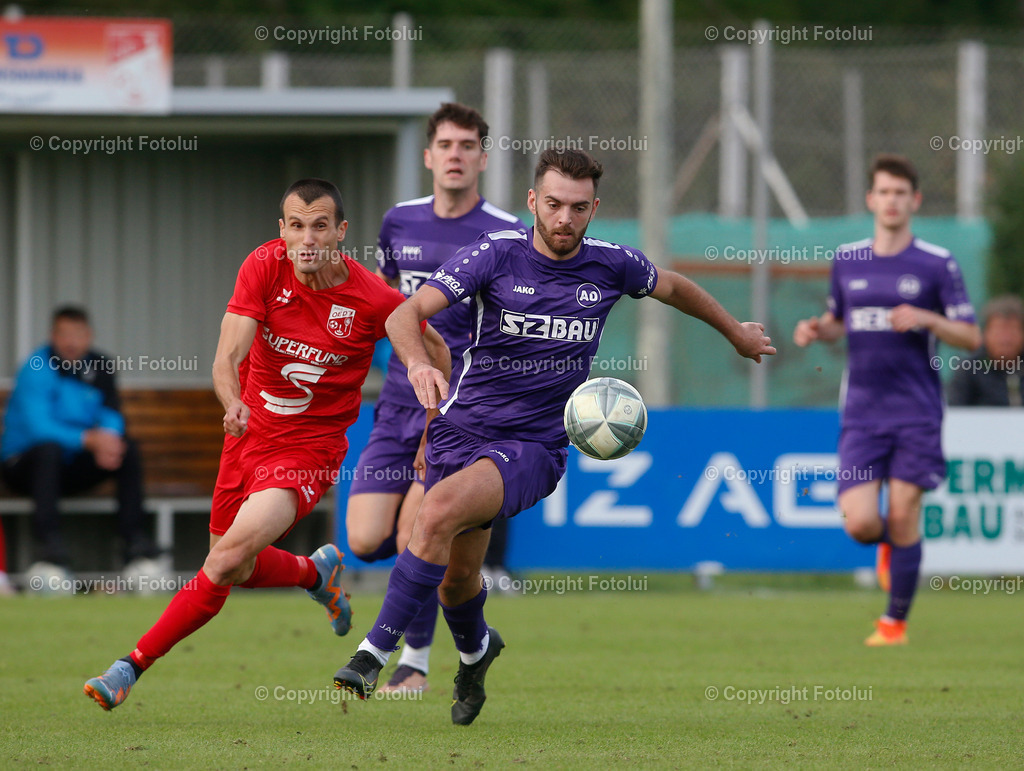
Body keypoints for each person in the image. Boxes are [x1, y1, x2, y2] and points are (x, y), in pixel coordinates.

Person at [333, 148, 775, 724]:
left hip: (534, 447)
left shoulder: (612, 265)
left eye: (577, 207)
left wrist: (735, 333)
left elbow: (675, 287)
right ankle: (475, 651)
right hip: (459, 428)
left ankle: (375, 652)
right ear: (533, 203)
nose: (564, 218)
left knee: (433, 513)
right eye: (554, 205)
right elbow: (402, 315)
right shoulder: (495, 255)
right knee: (458, 578)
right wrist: (417, 362)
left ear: (594, 208)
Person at [82, 178, 450, 710]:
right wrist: (232, 402)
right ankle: (311, 572)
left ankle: (128, 667)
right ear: (282, 230)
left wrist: (434, 426)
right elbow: (226, 359)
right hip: (248, 435)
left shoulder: (373, 299)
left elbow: (435, 349)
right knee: (233, 564)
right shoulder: (263, 266)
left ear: (340, 232)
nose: (307, 239)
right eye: (296, 226)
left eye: (320, 226)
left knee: (226, 558)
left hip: (308, 451)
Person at [347, 102, 523, 693]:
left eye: (467, 145)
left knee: (415, 535)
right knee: (366, 539)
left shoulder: (505, 233)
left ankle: (413, 663)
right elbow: (388, 308)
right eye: (445, 145)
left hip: (460, 411)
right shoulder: (398, 222)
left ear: (483, 157)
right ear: (428, 156)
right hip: (398, 399)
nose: (455, 154)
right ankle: (463, 637)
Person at [793, 154, 981, 646]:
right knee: (860, 523)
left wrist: (929, 320)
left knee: (902, 514)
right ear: (871, 199)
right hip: (862, 413)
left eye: (902, 193)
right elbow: (839, 320)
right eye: (884, 192)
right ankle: (891, 551)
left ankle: (893, 623)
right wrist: (817, 329)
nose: (892, 201)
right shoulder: (849, 258)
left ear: (913, 201)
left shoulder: (937, 263)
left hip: (917, 411)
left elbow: (971, 336)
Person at [1, 306, 157, 569]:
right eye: (64, 334)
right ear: (53, 336)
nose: (71, 342)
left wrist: (108, 440)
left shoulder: (101, 366)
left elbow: (112, 414)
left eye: (77, 334)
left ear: (89, 336)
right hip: (22, 469)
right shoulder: (36, 368)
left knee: (126, 449)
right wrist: (87, 440)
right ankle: (49, 547)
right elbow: (39, 427)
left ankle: (134, 543)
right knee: (47, 450)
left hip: (69, 468)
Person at [948, 295, 1024, 406]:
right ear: (985, 334)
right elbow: (955, 411)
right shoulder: (969, 370)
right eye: (999, 332)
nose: (1005, 339)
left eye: (1012, 331)